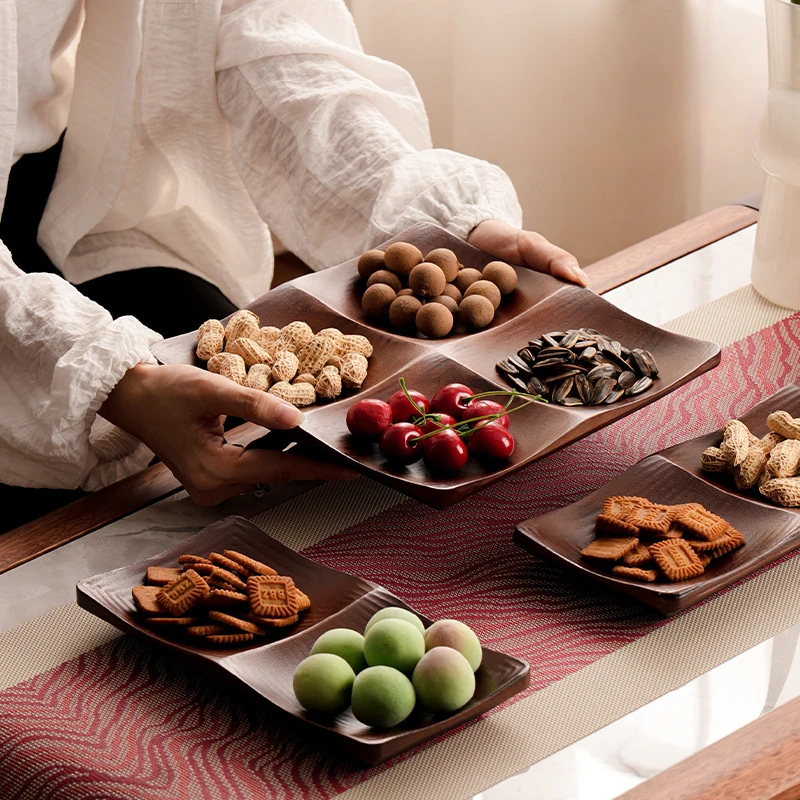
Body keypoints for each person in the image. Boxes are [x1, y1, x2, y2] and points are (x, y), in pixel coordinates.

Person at [0, 0, 588, 521]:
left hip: (71, 197)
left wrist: (440, 221)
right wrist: (116, 387)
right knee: (71, 510)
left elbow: (257, 25)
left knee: (256, 444)